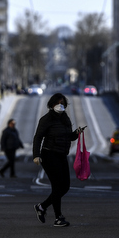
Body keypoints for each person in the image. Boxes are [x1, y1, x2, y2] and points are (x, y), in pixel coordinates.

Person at [32, 93, 84, 227]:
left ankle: (42, 207)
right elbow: (38, 137)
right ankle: (58, 217)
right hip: (49, 155)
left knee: (65, 186)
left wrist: (76, 133)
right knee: (58, 186)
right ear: (52, 104)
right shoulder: (46, 119)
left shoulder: (65, 118)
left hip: (62, 154)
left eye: (62, 103)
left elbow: (68, 137)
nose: (60, 106)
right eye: (57, 103)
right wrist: (36, 155)